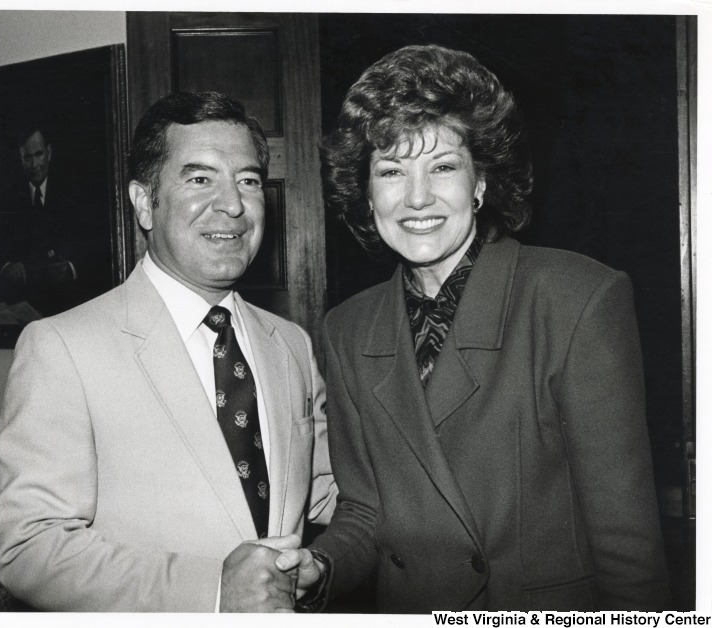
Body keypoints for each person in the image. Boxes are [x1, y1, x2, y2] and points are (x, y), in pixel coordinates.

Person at [278, 44, 669, 612]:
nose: (417, 197)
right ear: (366, 193)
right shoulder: (346, 329)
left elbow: (626, 544)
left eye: (442, 166)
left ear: (481, 181)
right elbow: (365, 511)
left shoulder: (575, 298)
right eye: (391, 171)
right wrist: (322, 564)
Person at [0, 91, 337, 612]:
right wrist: (214, 592)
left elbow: (325, 495)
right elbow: (28, 546)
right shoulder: (62, 346)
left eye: (248, 180)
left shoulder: (291, 343)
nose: (234, 205)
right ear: (144, 202)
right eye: (200, 179)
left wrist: (322, 563)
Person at [0, 125, 108, 320]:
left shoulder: (75, 193)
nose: (34, 165)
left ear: (49, 153)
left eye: (39, 154)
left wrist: (70, 268)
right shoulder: (8, 198)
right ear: (20, 158)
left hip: (68, 308)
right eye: (28, 158)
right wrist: (7, 266)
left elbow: (96, 249)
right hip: (25, 309)